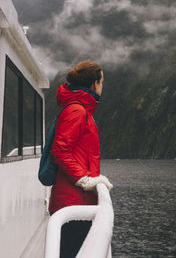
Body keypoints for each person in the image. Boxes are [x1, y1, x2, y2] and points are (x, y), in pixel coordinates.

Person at [49, 61, 113, 258]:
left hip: (77, 200)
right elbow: (60, 150)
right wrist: (84, 180)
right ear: (94, 84)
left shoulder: (81, 109)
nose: (102, 86)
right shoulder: (77, 111)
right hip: (74, 202)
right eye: (101, 81)